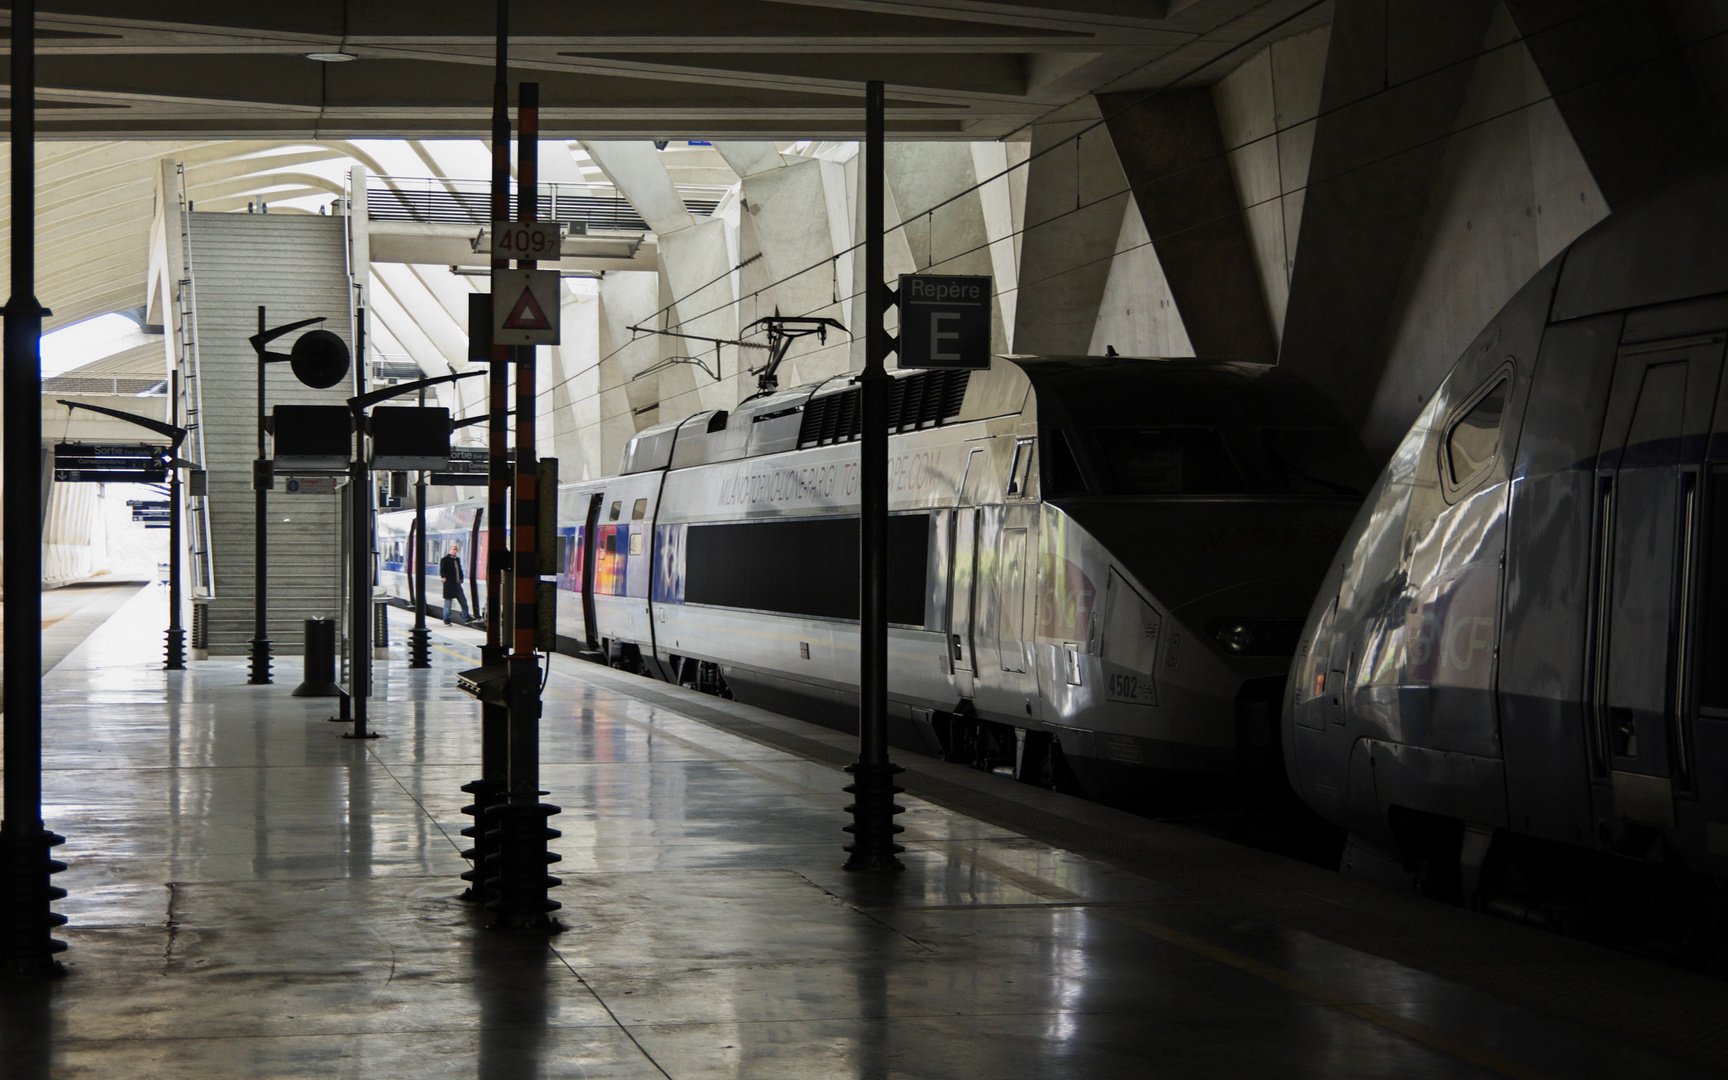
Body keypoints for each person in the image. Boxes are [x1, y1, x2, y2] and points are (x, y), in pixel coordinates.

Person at [440, 543, 470, 625]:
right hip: (449, 585)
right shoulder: (444, 560)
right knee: (448, 603)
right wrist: (443, 577)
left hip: (457, 584)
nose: (455, 551)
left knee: (463, 602)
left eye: (456, 550)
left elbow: (460, 570)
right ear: (449, 550)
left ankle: (466, 618)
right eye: (453, 549)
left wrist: (461, 579)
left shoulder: (457, 560)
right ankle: (447, 619)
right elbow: (442, 570)